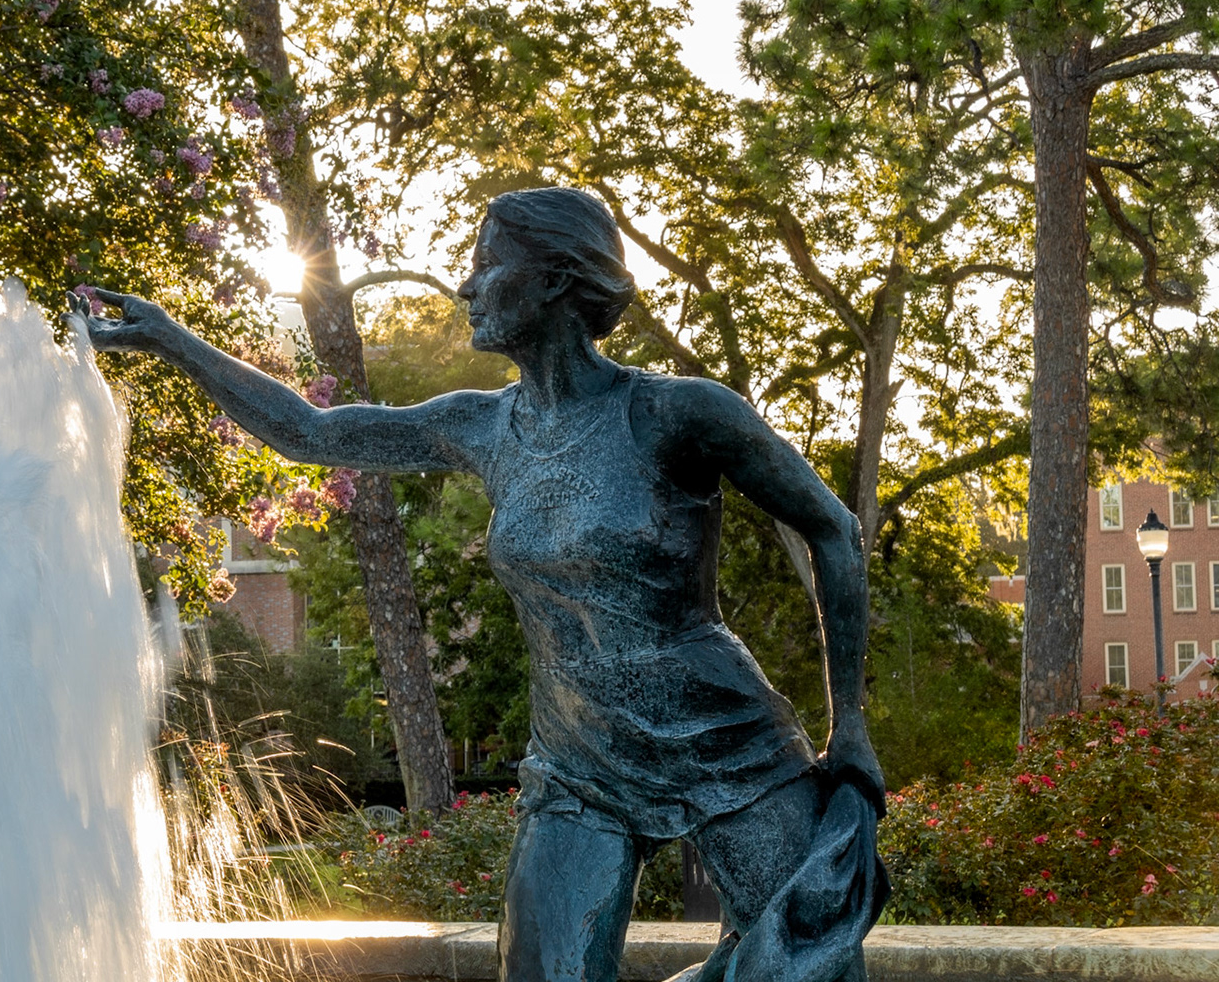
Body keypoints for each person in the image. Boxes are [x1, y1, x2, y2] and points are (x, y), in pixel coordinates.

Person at [73, 186, 887, 982]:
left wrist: (847, 721)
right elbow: (309, 432)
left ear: (556, 278)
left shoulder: (678, 413)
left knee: (809, 957)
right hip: (578, 764)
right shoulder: (484, 425)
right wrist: (172, 339)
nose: (465, 286)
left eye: (486, 262)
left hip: (724, 741)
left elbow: (834, 529)